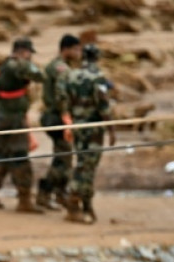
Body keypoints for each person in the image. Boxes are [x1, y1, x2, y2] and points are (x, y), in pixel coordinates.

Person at [0, 37, 45, 213]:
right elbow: (40, 76)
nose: (30, 57)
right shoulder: (17, 65)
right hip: (13, 121)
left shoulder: (4, 66)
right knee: (19, 156)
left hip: (1, 118)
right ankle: (24, 199)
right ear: (23, 51)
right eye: (29, 53)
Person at [58, 43, 114, 224]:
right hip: (93, 128)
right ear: (96, 57)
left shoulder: (71, 75)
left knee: (83, 163)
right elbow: (103, 106)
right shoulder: (98, 77)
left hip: (78, 126)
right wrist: (111, 129)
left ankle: (86, 204)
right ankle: (74, 204)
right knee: (86, 166)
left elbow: (64, 99)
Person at [38, 34, 80, 210]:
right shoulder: (61, 68)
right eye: (76, 49)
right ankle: (45, 193)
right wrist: (67, 119)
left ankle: (60, 193)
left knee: (65, 157)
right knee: (62, 159)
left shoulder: (56, 65)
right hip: (57, 117)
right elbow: (62, 95)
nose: (79, 53)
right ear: (67, 49)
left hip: (54, 116)